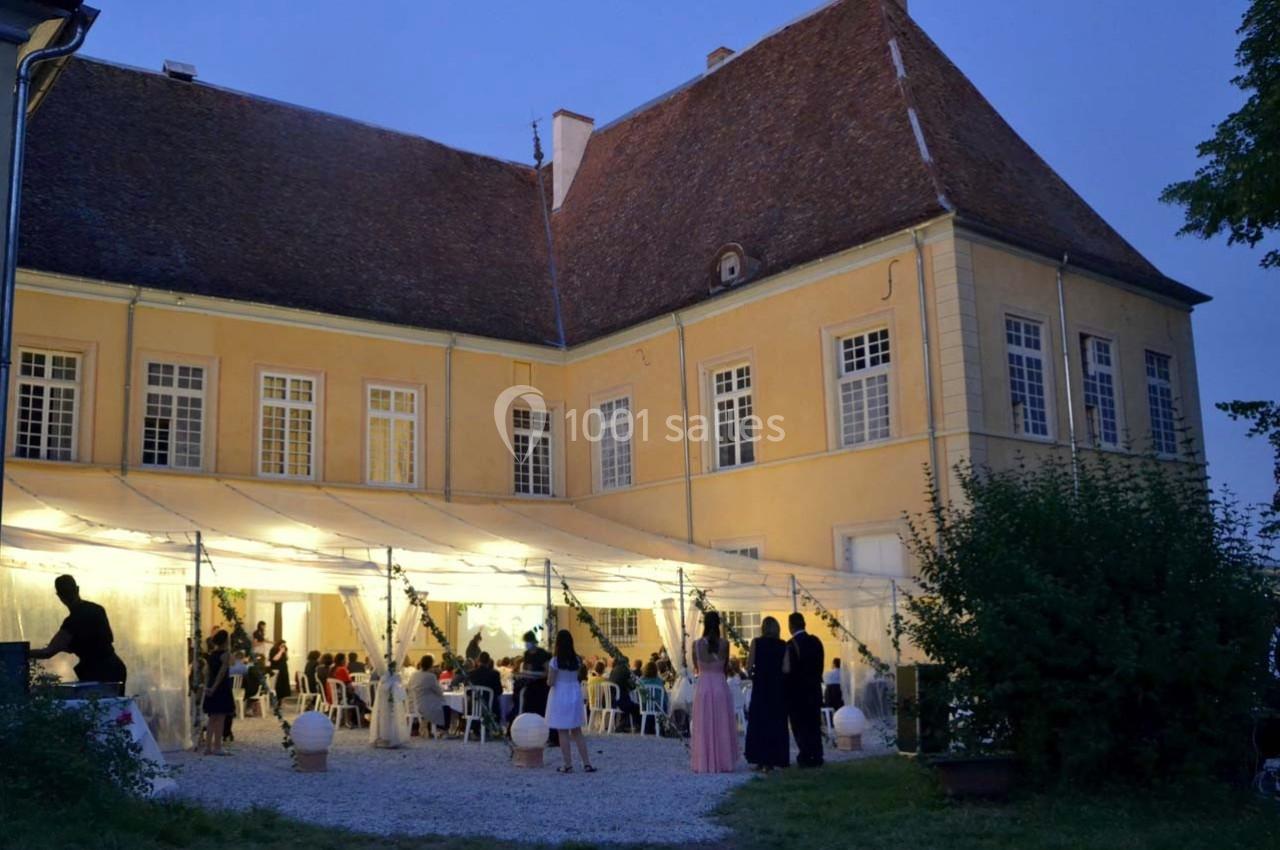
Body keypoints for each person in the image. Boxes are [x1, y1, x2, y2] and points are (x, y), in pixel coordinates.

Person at [28, 575, 128, 694]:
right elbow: (104, 640)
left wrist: (20, 653)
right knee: (114, 708)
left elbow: (48, 652)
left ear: (59, 595)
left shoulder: (72, 622)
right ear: (77, 589)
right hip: (114, 667)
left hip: (98, 673)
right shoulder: (97, 609)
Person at [691, 611, 739, 773]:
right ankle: (724, 762)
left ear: (704, 624)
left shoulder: (696, 645)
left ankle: (704, 762)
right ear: (718, 624)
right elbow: (725, 667)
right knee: (722, 724)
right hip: (719, 686)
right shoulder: (725, 644)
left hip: (703, 687)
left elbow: (696, 667)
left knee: (704, 725)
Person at [546, 630, 596, 773]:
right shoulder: (577, 659)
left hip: (560, 693)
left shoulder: (555, 661)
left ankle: (567, 764)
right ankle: (586, 763)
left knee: (563, 731)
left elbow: (550, 681)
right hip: (574, 692)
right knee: (577, 730)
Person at [744, 616, 789, 771]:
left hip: (761, 687)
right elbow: (786, 668)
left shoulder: (756, 643)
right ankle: (774, 758)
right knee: (775, 723)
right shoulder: (783, 645)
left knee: (759, 723)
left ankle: (759, 758)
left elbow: (749, 666)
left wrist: (754, 673)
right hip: (777, 688)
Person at [785, 612, 825, 768]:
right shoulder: (816, 641)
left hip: (797, 692)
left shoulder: (791, 645)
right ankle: (817, 754)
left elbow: (788, 671)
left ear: (791, 626)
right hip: (814, 689)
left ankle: (805, 755)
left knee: (800, 725)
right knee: (814, 724)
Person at [201, 629, 234, 756]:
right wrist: (214, 688)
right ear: (226, 640)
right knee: (220, 718)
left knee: (211, 718)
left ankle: (208, 747)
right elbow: (222, 673)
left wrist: (207, 687)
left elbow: (207, 672)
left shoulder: (212, 654)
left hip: (211, 687)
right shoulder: (226, 654)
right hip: (221, 688)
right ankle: (218, 746)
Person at [407, 655, 453, 737]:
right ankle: (444, 730)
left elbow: (408, 687)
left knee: (440, 705)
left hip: (413, 704)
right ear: (431, 665)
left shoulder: (414, 675)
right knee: (446, 708)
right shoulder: (430, 676)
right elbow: (439, 692)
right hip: (424, 705)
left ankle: (432, 729)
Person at [466, 651, 503, 726]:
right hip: (491, 708)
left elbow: (468, 692)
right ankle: (493, 726)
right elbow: (499, 691)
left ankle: (474, 728)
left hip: (474, 708)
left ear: (478, 661)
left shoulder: (471, 673)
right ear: (489, 661)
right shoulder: (495, 674)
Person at [608, 655, 639, 732]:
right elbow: (631, 686)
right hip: (619, 701)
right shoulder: (625, 670)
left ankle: (623, 725)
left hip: (611, 699)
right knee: (636, 707)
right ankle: (636, 726)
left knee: (629, 703)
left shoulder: (614, 670)